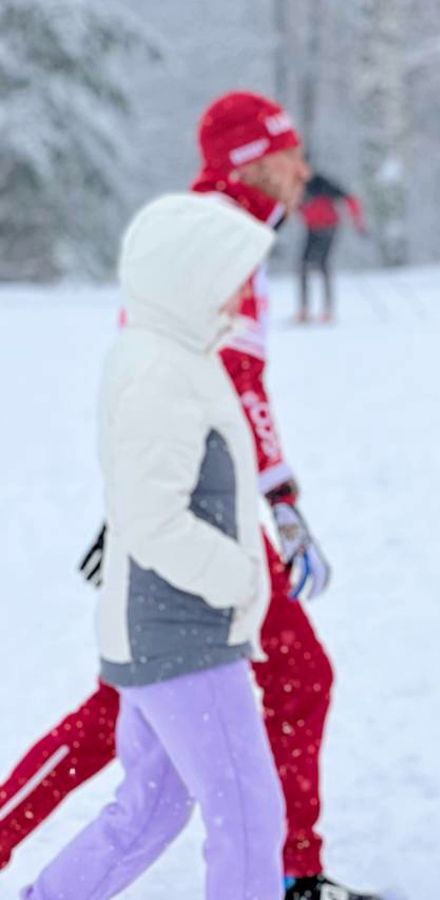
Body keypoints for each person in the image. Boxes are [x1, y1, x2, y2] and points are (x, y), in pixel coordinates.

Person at [0, 91, 374, 900]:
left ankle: (287, 868)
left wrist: (276, 496)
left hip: (197, 505)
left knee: (144, 733)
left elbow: (233, 384)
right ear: (250, 161)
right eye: (289, 153)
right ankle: (292, 871)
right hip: (196, 518)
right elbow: (218, 384)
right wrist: (269, 512)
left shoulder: (236, 235)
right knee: (283, 686)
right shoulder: (212, 244)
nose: (304, 169)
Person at [23, 192, 285, 899]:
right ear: (188, 275)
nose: (245, 290)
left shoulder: (175, 355)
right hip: (182, 634)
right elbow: (150, 518)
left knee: (151, 811)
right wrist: (236, 577)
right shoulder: (159, 371)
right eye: (232, 272)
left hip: (166, 631)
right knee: (250, 816)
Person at [297, 171, 366, 323]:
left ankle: (327, 310)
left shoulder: (321, 182)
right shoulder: (296, 185)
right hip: (312, 228)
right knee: (303, 266)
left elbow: (349, 199)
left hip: (328, 227)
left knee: (322, 265)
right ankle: (305, 310)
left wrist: (359, 223)